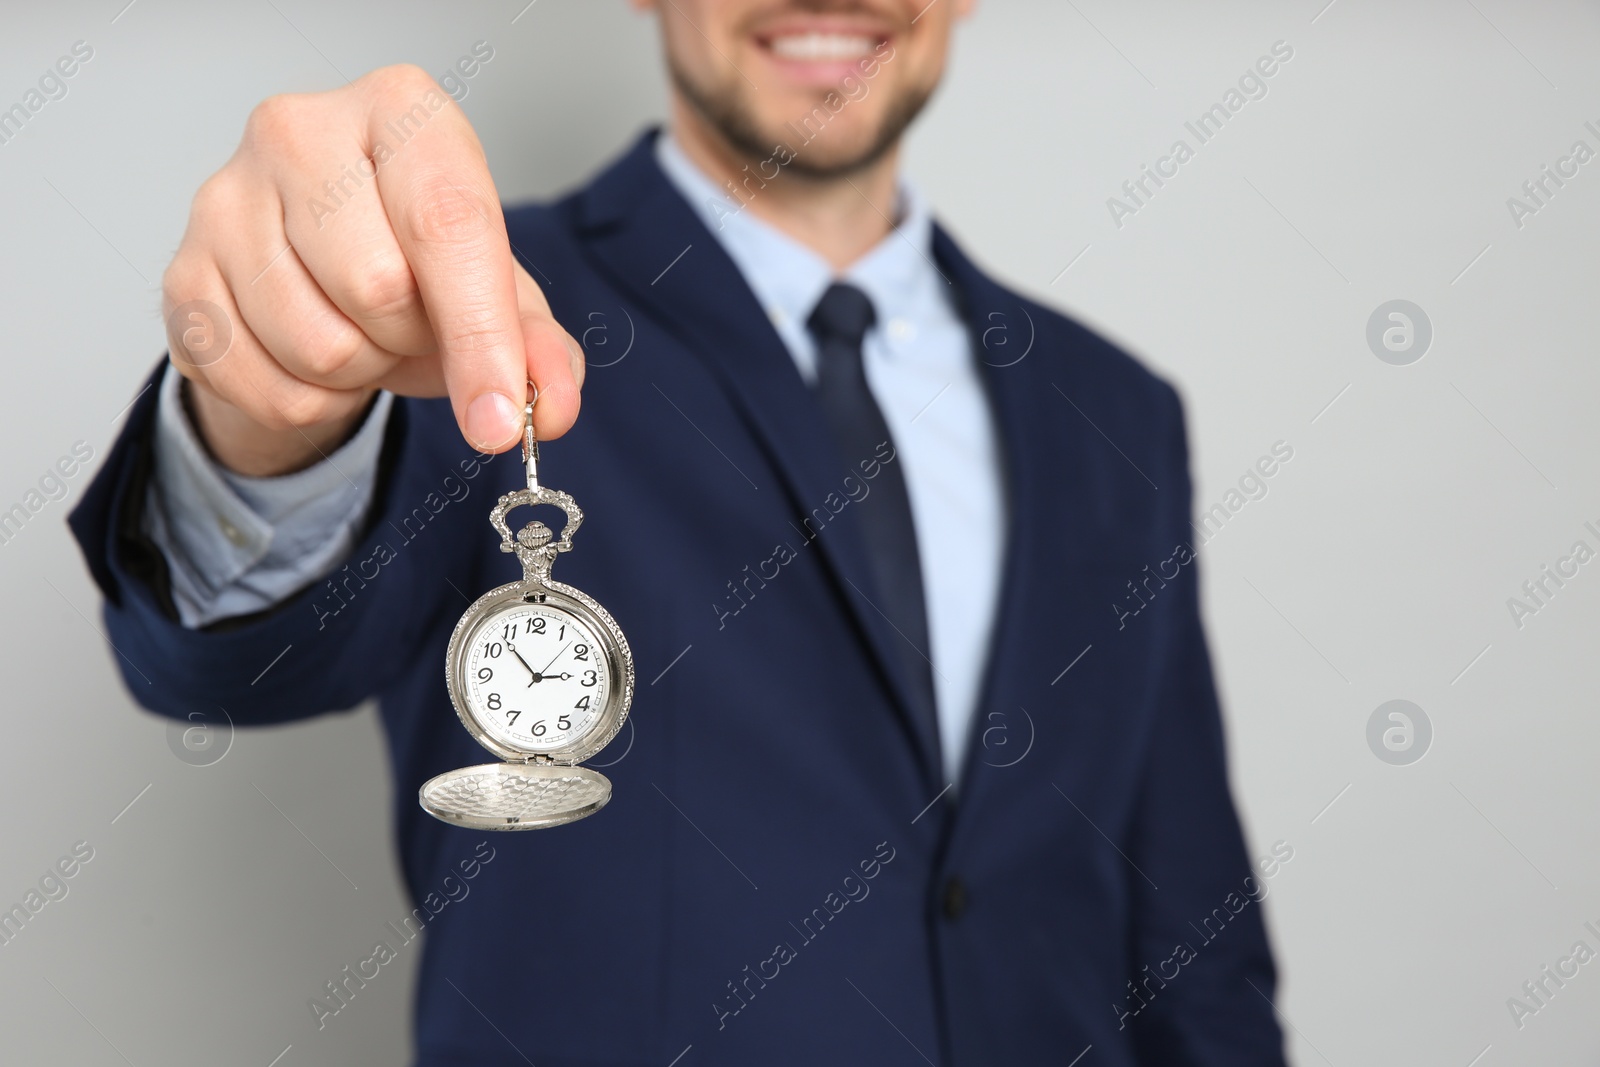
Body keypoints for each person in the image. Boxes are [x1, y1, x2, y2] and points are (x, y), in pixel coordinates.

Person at [70, 1, 1286, 1064]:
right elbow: (238, 662)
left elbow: (1194, 941)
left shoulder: (1113, 408)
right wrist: (265, 411)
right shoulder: (458, 310)